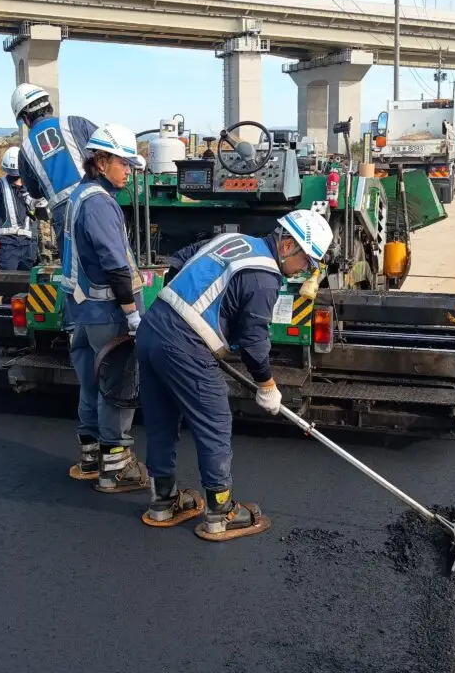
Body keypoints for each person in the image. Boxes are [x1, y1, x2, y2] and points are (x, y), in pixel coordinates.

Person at [135, 209, 334, 540]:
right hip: (185, 346)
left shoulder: (234, 240)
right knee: (215, 422)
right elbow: (254, 341)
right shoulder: (265, 276)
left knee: (161, 421)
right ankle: (220, 513)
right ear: (288, 246)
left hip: (152, 328)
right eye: (307, 263)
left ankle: (163, 502)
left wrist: (188, 313)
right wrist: (267, 386)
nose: (305, 272)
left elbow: (179, 262)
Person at [59, 123, 148, 493]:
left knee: (90, 385)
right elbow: (114, 264)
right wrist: (132, 314)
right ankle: (116, 469)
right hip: (107, 313)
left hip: (81, 313)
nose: (128, 170)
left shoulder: (78, 196)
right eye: (123, 163)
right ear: (100, 160)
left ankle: (91, 457)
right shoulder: (99, 203)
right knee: (118, 388)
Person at [10, 82, 99, 258]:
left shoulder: (25, 150)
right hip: (95, 200)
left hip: (63, 213)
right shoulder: (75, 123)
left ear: (26, 117)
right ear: (48, 106)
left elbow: (34, 192)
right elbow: (107, 152)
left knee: (74, 267)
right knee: (111, 254)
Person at [0, 147, 43, 305]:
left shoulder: (31, 188)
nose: (14, 176)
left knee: (27, 287)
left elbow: (37, 215)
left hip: (27, 245)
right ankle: (8, 322)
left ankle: (26, 324)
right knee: (10, 288)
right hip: (6, 245)